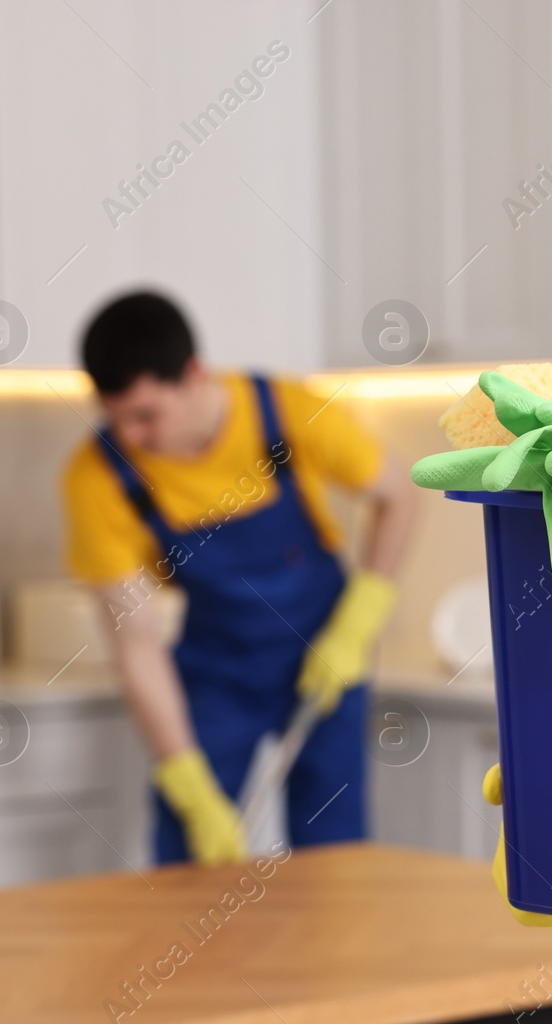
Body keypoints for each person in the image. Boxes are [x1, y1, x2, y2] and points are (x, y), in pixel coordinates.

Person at [61, 291, 416, 866]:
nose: (131, 436)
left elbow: (398, 495)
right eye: (115, 416)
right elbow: (136, 643)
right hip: (217, 670)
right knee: (186, 850)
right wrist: (186, 780)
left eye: (147, 415)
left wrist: (362, 615)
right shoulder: (99, 478)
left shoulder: (287, 412)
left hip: (325, 649)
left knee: (336, 853)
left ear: (194, 375)